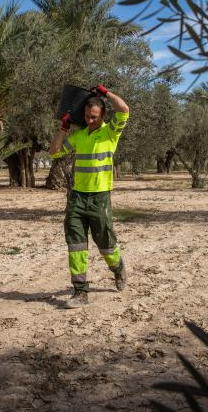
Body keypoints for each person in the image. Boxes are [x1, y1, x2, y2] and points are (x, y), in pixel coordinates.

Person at [48, 84, 129, 309]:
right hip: (77, 198)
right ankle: (80, 291)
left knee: (106, 245)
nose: (90, 120)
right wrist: (63, 128)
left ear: (102, 115)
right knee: (75, 244)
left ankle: (118, 267)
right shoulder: (79, 136)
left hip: (100, 199)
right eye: (86, 116)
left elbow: (124, 109)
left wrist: (105, 93)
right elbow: (54, 151)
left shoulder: (110, 133)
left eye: (94, 117)